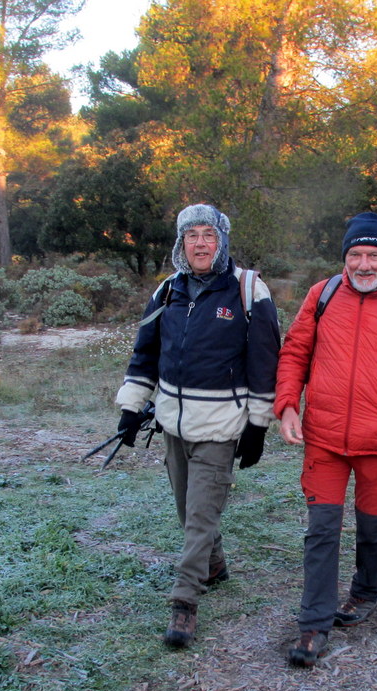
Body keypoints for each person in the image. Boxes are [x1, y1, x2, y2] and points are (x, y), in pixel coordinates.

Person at [275, 212, 377, 668]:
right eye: (355, 255)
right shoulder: (323, 295)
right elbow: (295, 351)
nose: (363, 264)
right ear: (344, 258)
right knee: (322, 530)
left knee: (373, 526)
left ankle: (365, 593)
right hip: (324, 440)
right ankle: (313, 625)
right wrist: (288, 403)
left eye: (373, 255)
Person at [114, 203, 281, 649]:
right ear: (181, 244)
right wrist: (132, 407)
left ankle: (184, 601)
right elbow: (145, 352)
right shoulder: (168, 290)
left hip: (222, 426)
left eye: (209, 235)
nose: (201, 244)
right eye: (192, 236)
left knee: (199, 517)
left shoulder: (248, 291)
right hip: (172, 423)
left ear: (222, 241)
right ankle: (214, 564)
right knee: (190, 512)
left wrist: (258, 425)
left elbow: (266, 363)